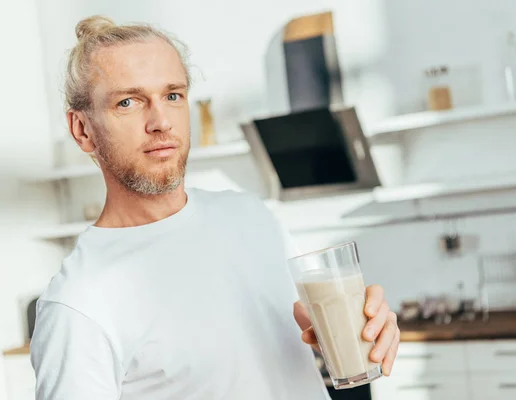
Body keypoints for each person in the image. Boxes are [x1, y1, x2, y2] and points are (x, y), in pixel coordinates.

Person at [30, 15, 400, 400]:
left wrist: (359, 331)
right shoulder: (79, 303)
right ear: (82, 130)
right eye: (128, 102)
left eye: (173, 95)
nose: (160, 122)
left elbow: (304, 338)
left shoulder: (251, 217)